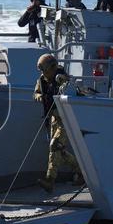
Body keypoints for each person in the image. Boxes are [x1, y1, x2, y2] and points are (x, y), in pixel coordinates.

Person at [33, 54, 82, 193]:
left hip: (65, 117)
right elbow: (35, 93)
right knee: (57, 150)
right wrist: (39, 96)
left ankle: (50, 180)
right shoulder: (42, 80)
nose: (44, 73)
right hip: (54, 118)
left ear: (53, 68)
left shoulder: (61, 78)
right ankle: (80, 172)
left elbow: (71, 91)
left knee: (54, 145)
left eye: (45, 70)